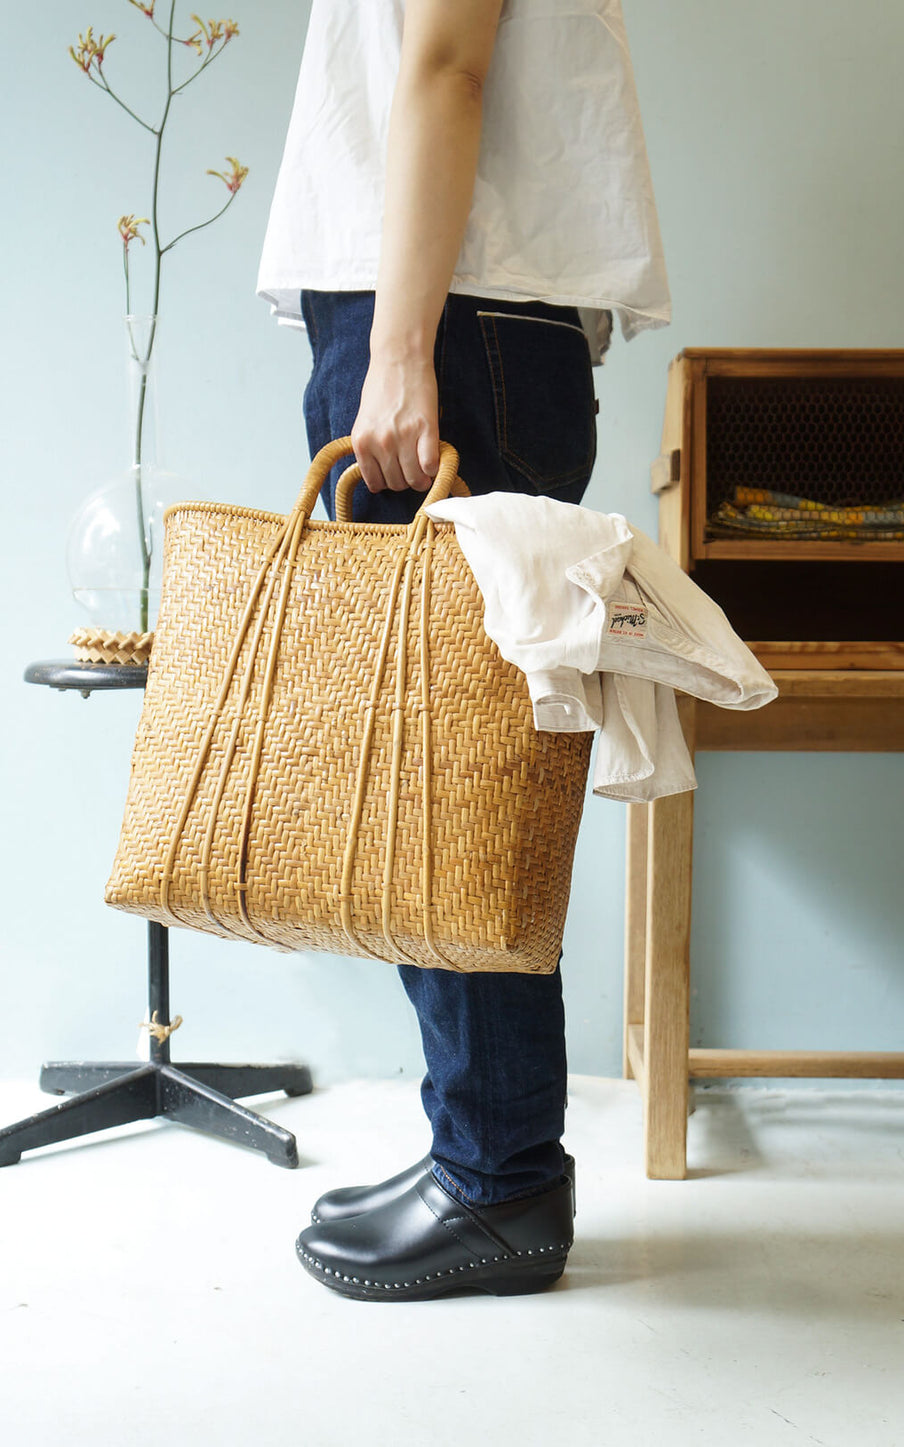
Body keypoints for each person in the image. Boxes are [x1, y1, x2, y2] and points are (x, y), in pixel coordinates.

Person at [256, 0, 671, 1301]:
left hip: (446, 322)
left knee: (444, 771)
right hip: (469, 316)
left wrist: (394, 345)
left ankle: (496, 1181)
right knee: (448, 762)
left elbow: (445, 60)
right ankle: (480, 1148)